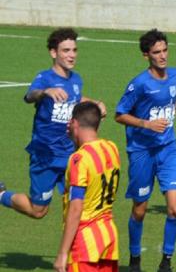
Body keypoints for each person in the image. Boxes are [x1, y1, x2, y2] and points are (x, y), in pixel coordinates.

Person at [0, 28, 106, 218]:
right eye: (66, 50)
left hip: (69, 153)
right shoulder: (44, 78)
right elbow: (29, 96)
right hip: (45, 154)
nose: (72, 55)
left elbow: (74, 97)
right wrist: (45, 91)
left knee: (79, 205)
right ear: (53, 53)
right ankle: (1, 195)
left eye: (74, 50)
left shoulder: (76, 79)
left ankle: (76, 246)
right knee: (38, 210)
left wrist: (94, 104)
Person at [115, 29, 176, 272]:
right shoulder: (139, 84)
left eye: (165, 50)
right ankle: (134, 260)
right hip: (141, 152)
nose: (162, 56)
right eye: (156, 52)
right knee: (140, 210)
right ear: (146, 55)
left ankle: (166, 263)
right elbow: (119, 114)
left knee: (175, 209)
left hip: (168, 149)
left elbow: (173, 94)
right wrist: (146, 123)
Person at [52, 101, 120, 272]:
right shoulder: (111, 148)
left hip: (86, 243)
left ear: (74, 123)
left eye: (69, 125)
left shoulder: (79, 160)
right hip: (108, 237)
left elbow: (76, 208)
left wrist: (63, 253)